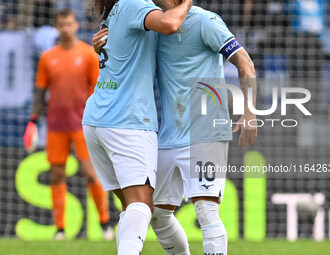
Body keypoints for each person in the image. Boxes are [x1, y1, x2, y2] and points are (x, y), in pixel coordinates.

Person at [94, 1, 257, 254]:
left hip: (206, 133)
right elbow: (126, 50)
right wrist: (104, 43)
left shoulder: (205, 21)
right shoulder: (155, 26)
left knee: (206, 210)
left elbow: (245, 62)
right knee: (156, 214)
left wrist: (249, 111)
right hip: (168, 135)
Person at [83, 0, 192, 254]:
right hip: (127, 121)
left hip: (98, 118)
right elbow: (170, 23)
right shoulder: (134, 3)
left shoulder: (116, 9)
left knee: (133, 210)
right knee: (141, 205)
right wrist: (186, 2)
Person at [23, 9, 113, 241]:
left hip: (83, 124)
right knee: (56, 175)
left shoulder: (87, 54)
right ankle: (60, 229)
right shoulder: (47, 57)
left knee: (91, 174)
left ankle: (105, 223)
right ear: (56, 26)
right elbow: (40, 91)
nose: (65, 28)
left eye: (69, 23)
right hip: (55, 126)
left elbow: (98, 90)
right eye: (61, 24)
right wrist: (33, 121)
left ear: (75, 25)